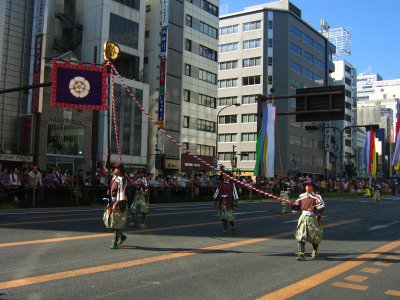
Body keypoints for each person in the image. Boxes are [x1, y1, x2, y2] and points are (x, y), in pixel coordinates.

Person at [287, 179, 325, 261]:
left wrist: (314, 207)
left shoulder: (317, 197)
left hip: (312, 218)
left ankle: (315, 251)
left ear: (313, 187)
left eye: (309, 186)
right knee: (301, 235)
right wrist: (292, 203)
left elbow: (322, 205)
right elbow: (297, 205)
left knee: (314, 236)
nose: (307, 187)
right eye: (306, 186)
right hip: (303, 217)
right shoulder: (302, 196)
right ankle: (301, 253)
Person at [107, 164, 128, 249]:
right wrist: (108, 154)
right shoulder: (114, 177)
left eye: (116, 168)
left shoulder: (122, 179)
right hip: (111, 201)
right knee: (109, 221)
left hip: (119, 202)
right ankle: (122, 236)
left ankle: (115, 241)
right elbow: (106, 167)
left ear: (120, 170)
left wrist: (117, 203)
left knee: (116, 223)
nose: (114, 170)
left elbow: (122, 192)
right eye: (114, 168)